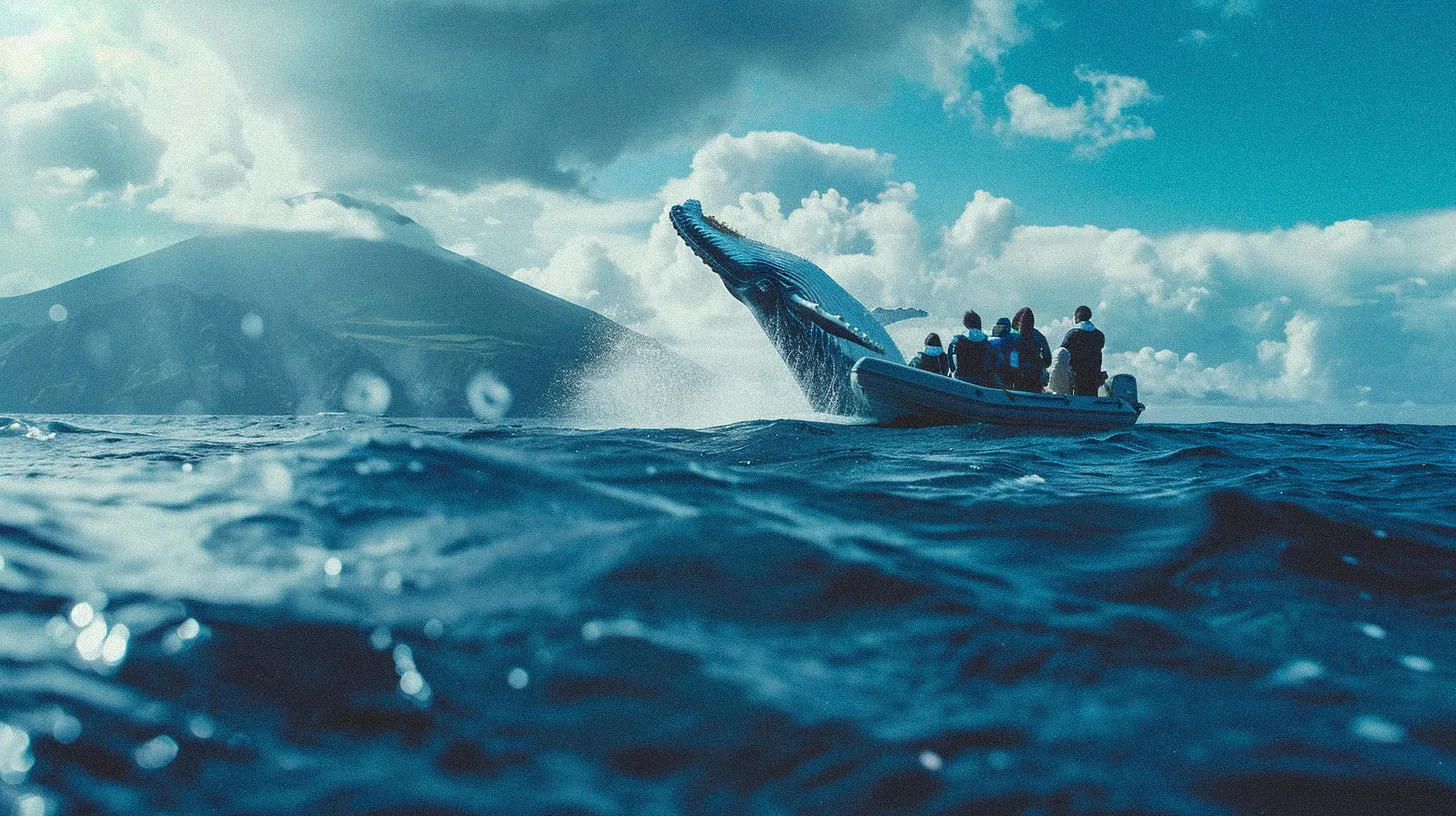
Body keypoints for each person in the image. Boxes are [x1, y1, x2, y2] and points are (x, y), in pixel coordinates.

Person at [1060, 305, 1106, 397]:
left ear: (1077, 318)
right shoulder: (1099, 335)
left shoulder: (1073, 334)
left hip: (1077, 377)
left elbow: (1061, 352)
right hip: (1094, 377)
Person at [948, 311, 1001, 387]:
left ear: (965, 324)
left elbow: (951, 360)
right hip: (981, 381)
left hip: (960, 379)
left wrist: (952, 373)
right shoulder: (987, 342)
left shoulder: (957, 340)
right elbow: (992, 363)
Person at [1011, 307, 1052, 392]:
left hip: (1016, 377)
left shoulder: (1012, 336)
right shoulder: (1039, 336)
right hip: (1035, 376)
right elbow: (1048, 360)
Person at [987, 317, 1019, 386]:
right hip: (1007, 373)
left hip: (1001, 373)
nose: (999, 329)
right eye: (998, 327)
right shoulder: (1016, 338)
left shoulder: (990, 341)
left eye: (1001, 327)